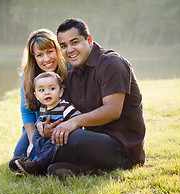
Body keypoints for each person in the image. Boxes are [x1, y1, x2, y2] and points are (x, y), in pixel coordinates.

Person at [39, 18, 146, 176]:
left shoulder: (111, 63)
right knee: (54, 137)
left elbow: (113, 110)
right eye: (64, 46)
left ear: (89, 40)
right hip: (92, 142)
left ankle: (37, 165)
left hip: (122, 148)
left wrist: (74, 122)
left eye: (74, 42)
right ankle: (85, 168)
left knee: (72, 138)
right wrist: (48, 128)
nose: (69, 50)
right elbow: (61, 111)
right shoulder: (71, 76)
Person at [13, 29, 68, 158]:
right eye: (39, 55)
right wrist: (33, 142)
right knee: (19, 155)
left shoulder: (68, 70)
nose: (46, 59)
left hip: (63, 125)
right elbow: (26, 111)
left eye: (50, 52)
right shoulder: (27, 77)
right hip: (39, 128)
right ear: (34, 57)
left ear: (57, 50)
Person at [12, 72, 80, 175]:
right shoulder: (43, 108)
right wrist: (39, 124)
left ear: (61, 92)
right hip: (47, 138)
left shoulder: (65, 107)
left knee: (50, 143)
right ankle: (28, 163)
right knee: (39, 142)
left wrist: (66, 126)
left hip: (61, 141)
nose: (47, 93)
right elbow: (40, 120)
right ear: (36, 95)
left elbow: (77, 119)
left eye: (52, 89)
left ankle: (35, 165)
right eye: (41, 90)